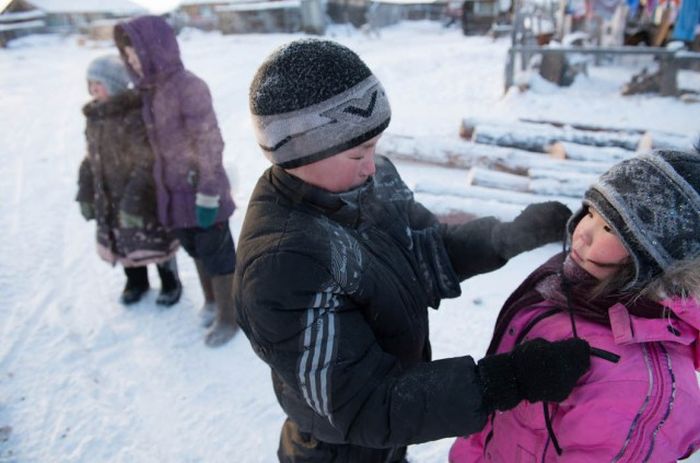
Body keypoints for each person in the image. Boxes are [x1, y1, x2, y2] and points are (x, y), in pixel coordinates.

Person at [234, 38, 592, 463]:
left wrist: (504, 238)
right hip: (339, 450)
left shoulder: (368, 181)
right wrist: (505, 380)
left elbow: (420, 250)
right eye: (357, 153)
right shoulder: (284, 262)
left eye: (375, 146)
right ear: (296, 151)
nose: (372, 164)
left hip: (391, 437)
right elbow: (366, 403)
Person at [450, 149, 700, 462]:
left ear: (654, 259)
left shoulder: (639, 388)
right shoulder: (571, 286)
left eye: (609, 229)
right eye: (591, 212)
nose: (581, 234)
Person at [113, 16, 237, 347]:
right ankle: (211, 301)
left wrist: (209, 192)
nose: (133, 61)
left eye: (136, 53)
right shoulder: (148, 93)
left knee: (218, 256)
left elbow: (210, 141)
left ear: (155, 49)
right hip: (171, 192)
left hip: (202, 191)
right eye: (128, 56)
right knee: (194, 248)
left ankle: (230, 316)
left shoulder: (189, 87)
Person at [76, 55, 181, 306]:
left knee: (152, 239)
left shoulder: (133, 114)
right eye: (90, 84)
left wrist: (133, 201)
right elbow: (91, 157)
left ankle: (170, 280)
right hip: (109, 193)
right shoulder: (94, 117)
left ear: (114, 84)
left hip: (139, 194)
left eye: (98, 83)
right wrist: (85, 192)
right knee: (121, 240)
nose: (93, 89)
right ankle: (136, 281)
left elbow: (146, 161)